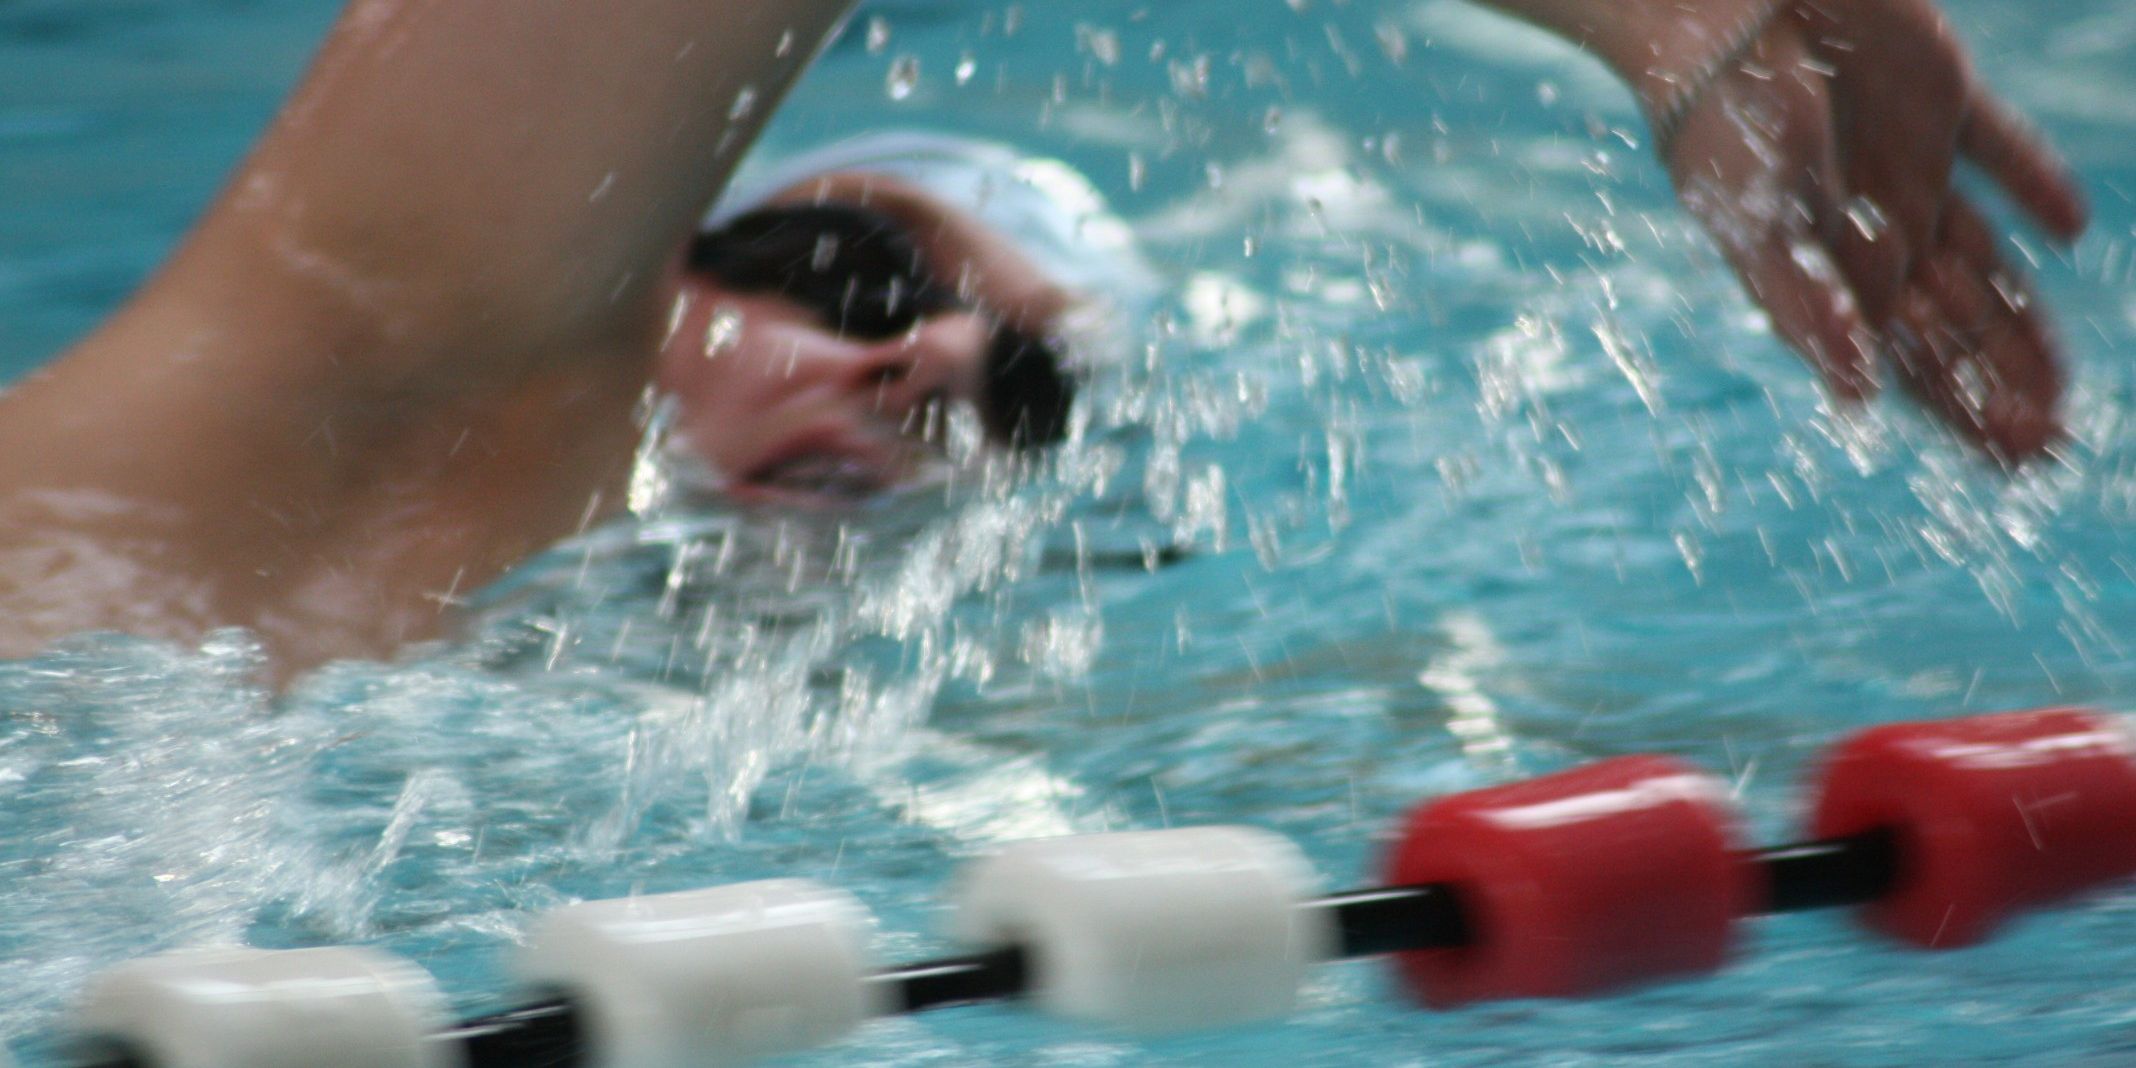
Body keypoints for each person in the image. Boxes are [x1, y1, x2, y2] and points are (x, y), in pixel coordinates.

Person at [0, 0, 2088, 675]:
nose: (924, 368)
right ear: (656, 255)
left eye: (1022, 389)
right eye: (852, 274)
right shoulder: (316, 451)